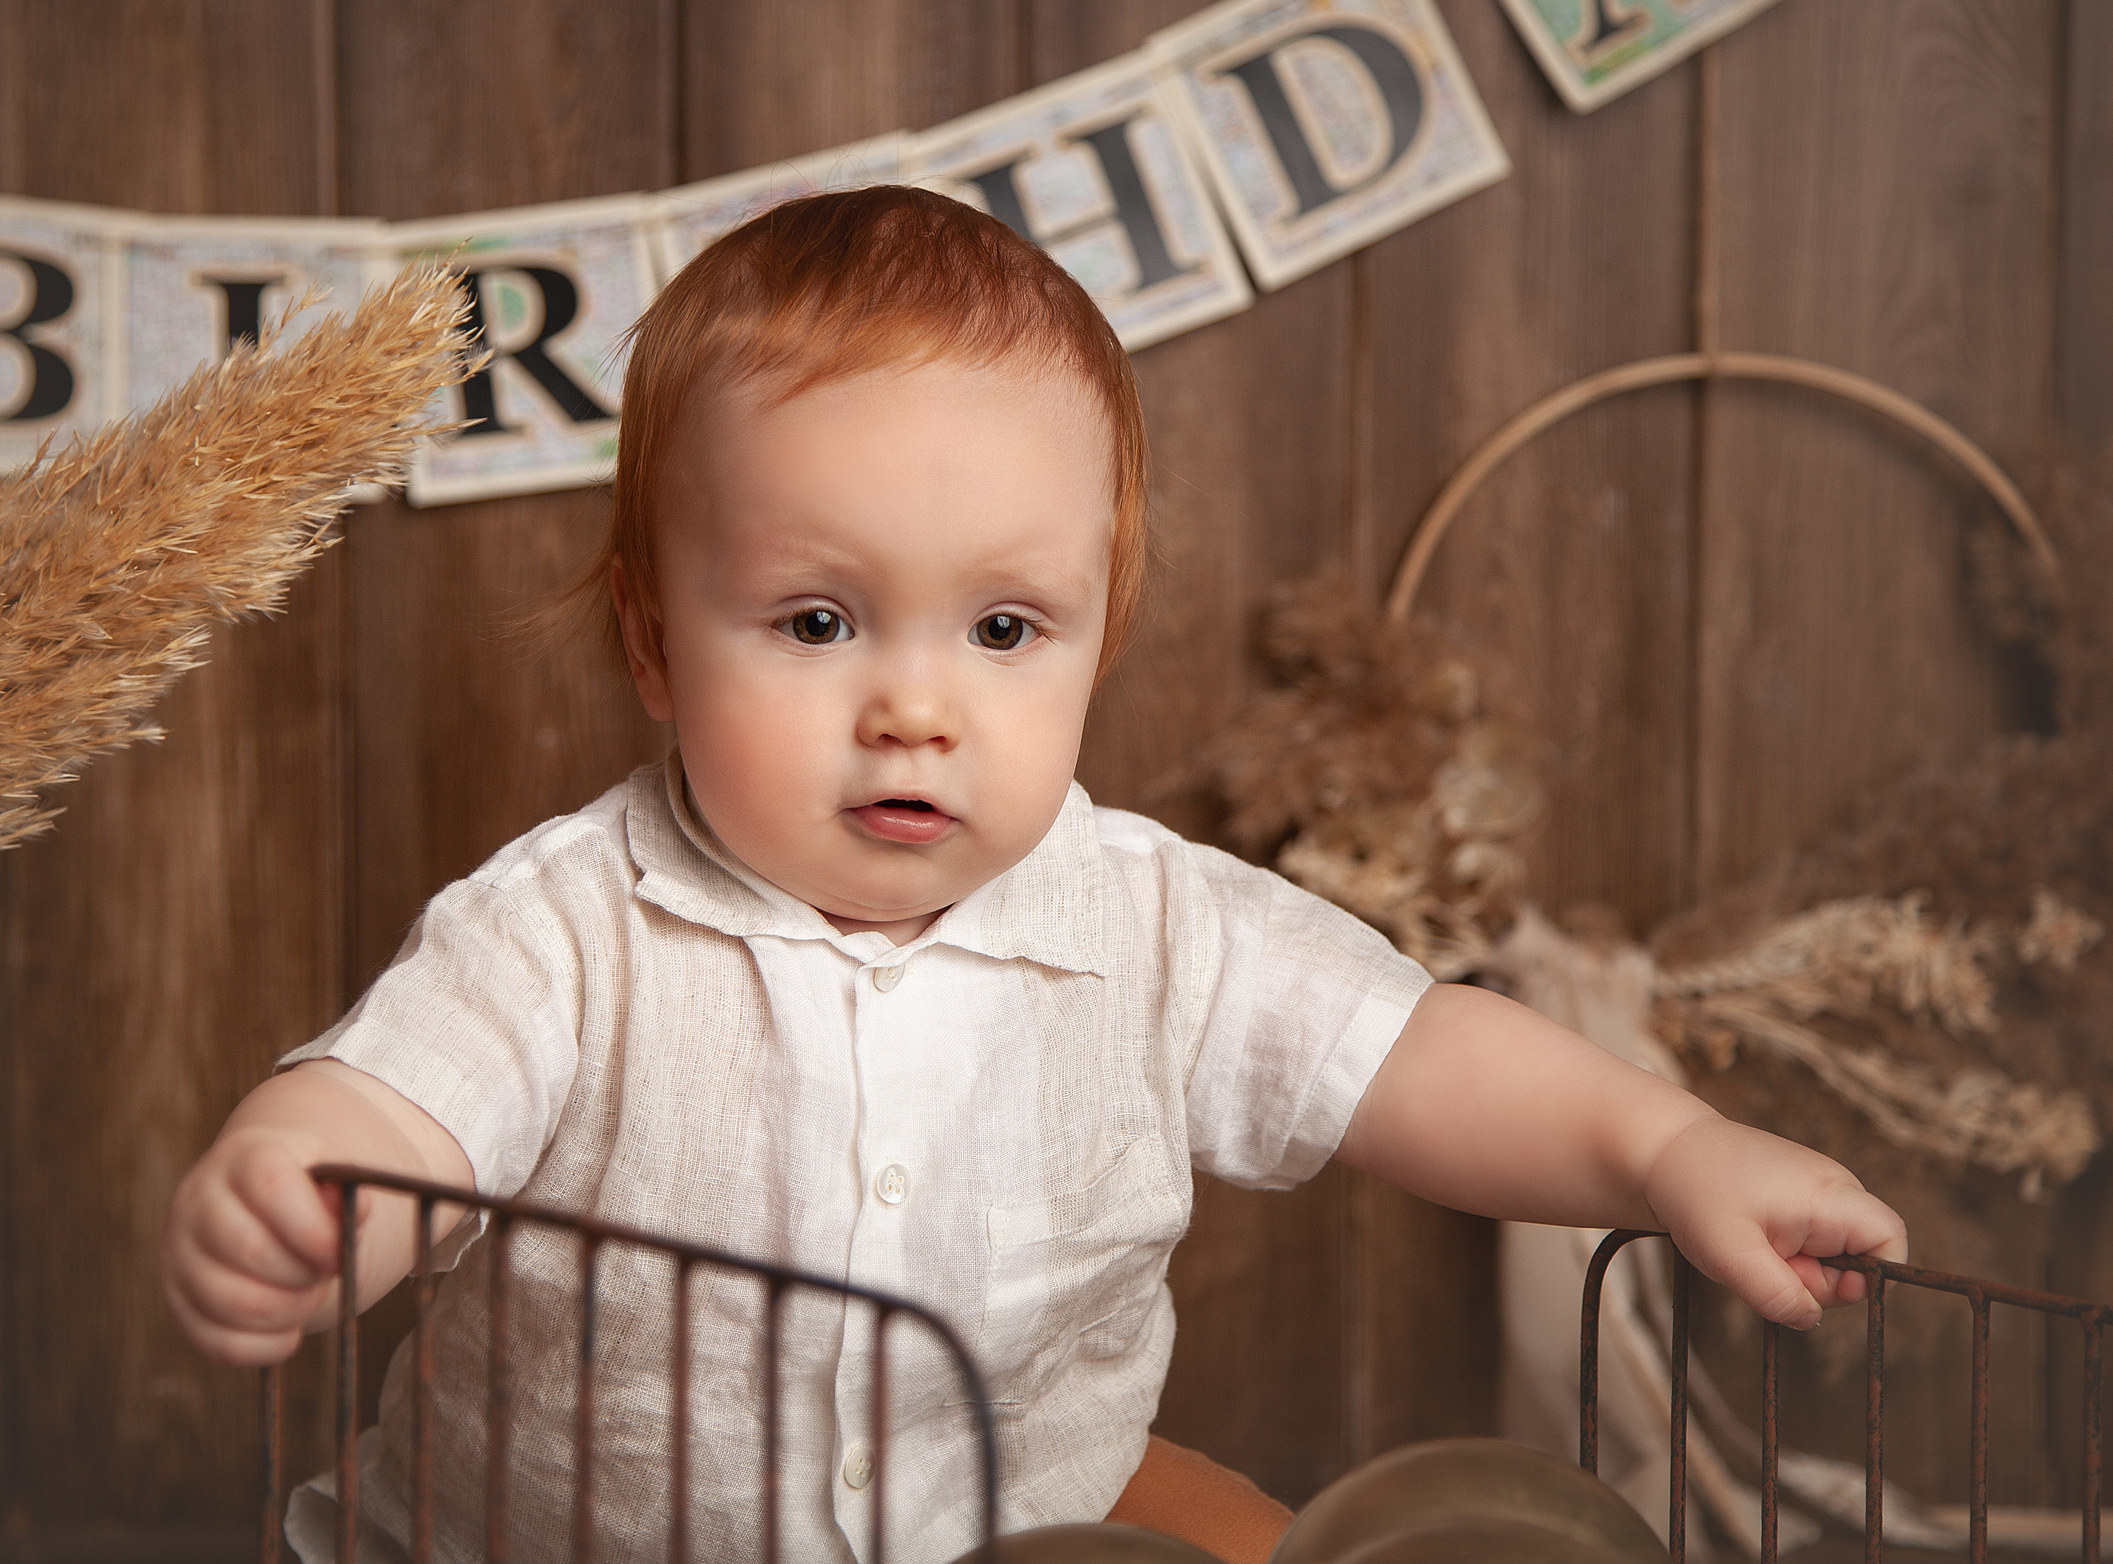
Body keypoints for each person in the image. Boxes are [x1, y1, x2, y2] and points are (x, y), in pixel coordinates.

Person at [161, 187, 1905, 1563]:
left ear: (1095, 642)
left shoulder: (1156, 924)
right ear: (652, 641)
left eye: (1004, 628)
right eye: (817, 622)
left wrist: (1665, 1150)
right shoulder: (567, 928)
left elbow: (1421, 1056)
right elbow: (413, 1102)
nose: (914, 707)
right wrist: (318, 1187)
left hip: (1026, 1532)